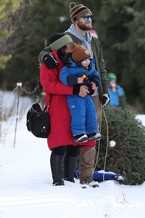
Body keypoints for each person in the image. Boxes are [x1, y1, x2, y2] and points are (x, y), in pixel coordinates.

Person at [39, 33, 95, 186]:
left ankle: (69, 178)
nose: (72, 47)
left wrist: (89, 85)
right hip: (57, 107)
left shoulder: (72, 60)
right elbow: (48, 85)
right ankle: (58, 180)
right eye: (68, 46)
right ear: (61, 47)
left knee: (74, 143)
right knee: (59, 144)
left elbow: (86, 72)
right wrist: (74, 90)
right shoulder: (49, 63)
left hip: (75, 106)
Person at [65, 2, 110, 186]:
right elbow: (45, 54)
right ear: (76, 20)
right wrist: (46, 57)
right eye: (85, 17)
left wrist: (104, 91)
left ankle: (86, 176)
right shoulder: (66, 38)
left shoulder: (94, 41)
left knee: (92, 134)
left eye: (90, 17)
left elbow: (102, 68)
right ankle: (67, 173)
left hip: (94, 95)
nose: (89, 20)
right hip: (74, 94)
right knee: (73, 132)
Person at [60, 43, 102, 143]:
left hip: (87, 95)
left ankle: (92, 131)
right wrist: (76, 80)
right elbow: (63, 77)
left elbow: (96, 74)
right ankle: (78, 133)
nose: (88, 62)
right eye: (85, 60)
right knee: (79, 112)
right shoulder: (70, 68)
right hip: (75, 96)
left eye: (88, 59)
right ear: (78, 60)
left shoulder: (89, 68)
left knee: (91, 111)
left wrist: (94, 82)